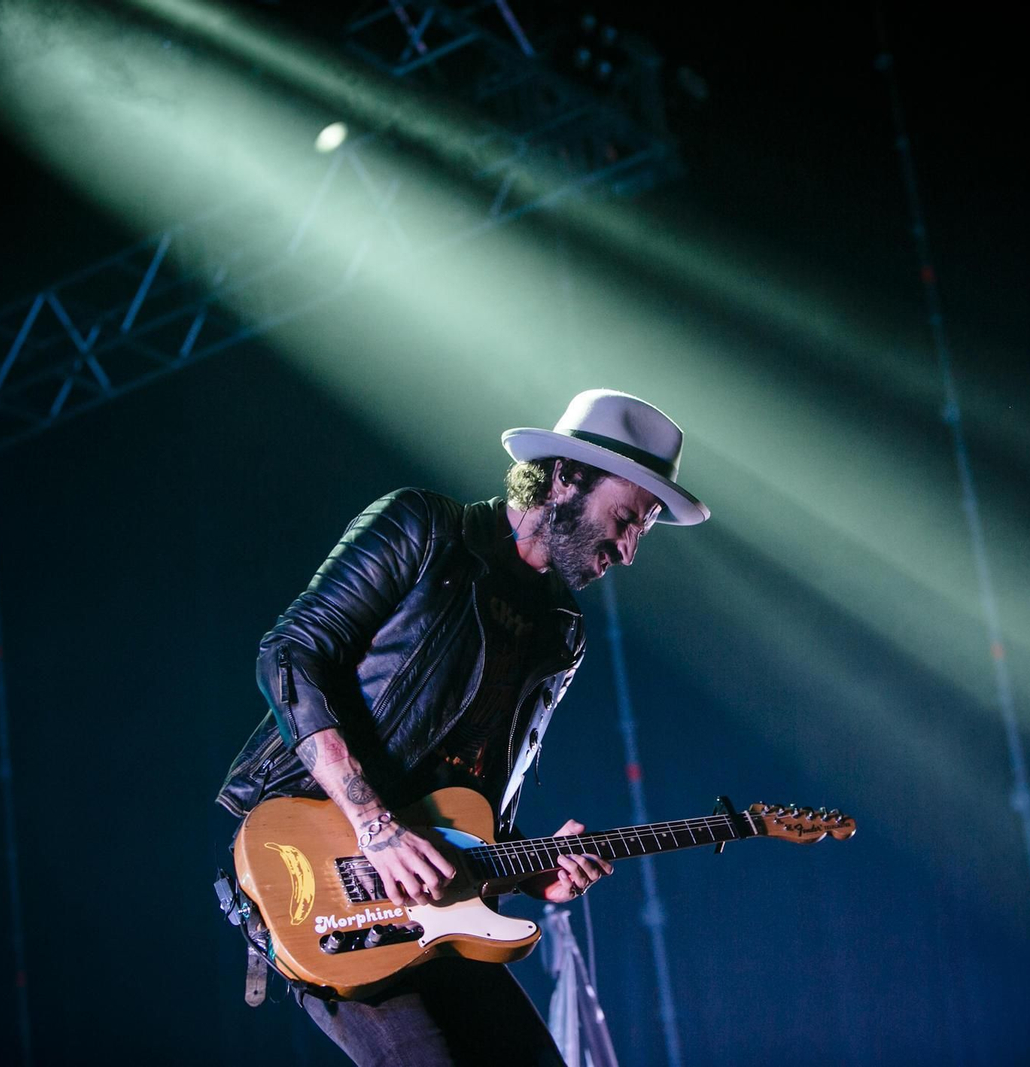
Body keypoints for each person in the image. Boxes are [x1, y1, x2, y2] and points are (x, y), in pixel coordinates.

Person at [215, 389, 709, 1065]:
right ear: (565, 477)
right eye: (624, 519)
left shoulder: (560, 634)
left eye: (640, 532)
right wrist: (375, 825)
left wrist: (535, 874)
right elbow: (291, 655)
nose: (625, 551)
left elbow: (474, 803)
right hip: (323, 868)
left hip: (443, 898)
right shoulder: (424, 528)